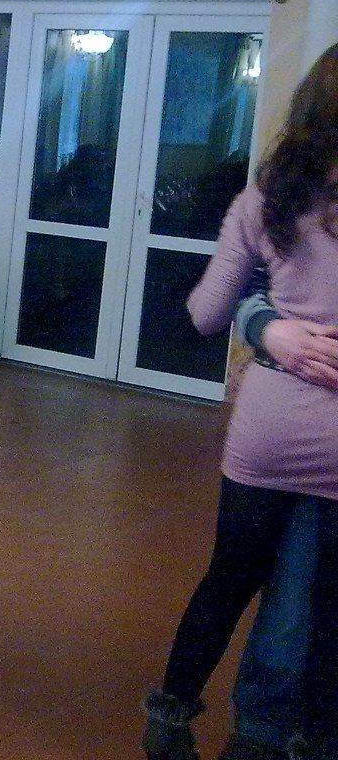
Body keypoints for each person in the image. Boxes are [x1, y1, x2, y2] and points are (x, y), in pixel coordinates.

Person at [141, 43, 338, 760]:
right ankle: (312, 740)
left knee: (227, 581)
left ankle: (169, 720)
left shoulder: (266, 199)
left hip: (271, 427)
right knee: (331, 606)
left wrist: (266, 321)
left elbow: (202, 314)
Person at [213, 275, 333, 760]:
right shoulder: (304, 222)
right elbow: (246, 286)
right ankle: (264, 731)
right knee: (294, 596)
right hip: (310, 436)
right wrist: (265, 326)